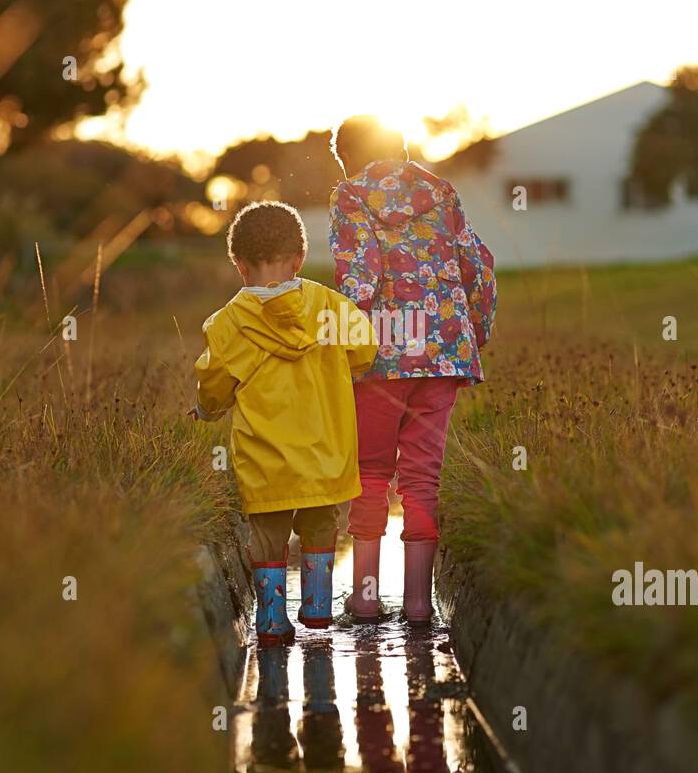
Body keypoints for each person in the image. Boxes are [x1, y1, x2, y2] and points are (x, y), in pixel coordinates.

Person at [328, 117, 496, 622]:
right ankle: (420, 604)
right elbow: (479, 265)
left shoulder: (350, 195)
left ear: (344, 158)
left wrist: (338, 344)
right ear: (401, 148)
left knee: (371, 473)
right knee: (423, 476)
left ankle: (367, 596)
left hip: (383, 351)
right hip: (444, 349)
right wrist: (473, 332)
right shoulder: (441, 191)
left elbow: (361, 278)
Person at [193, 199, 377, 644]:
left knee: (268, 537)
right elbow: (365, 347)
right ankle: (317, 607)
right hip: (324, 453)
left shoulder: (228, 324)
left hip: (265, 460)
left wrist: (206, 409)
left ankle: (271, 620)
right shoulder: (329, 307)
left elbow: (214, 384)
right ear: (298, 259)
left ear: (240, 266)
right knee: (319, 524)